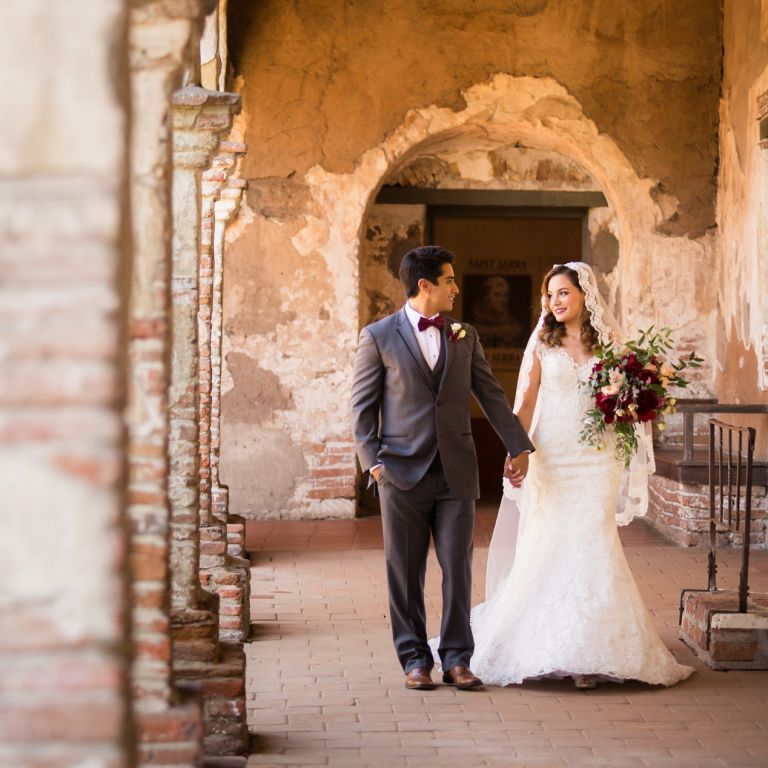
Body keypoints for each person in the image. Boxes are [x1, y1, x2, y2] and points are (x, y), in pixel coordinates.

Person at [469, 262, 694, 689]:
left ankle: (591, 651)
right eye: (550, 294)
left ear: (584, 296)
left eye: (563, 293)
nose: (554, 301)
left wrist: (633, 401)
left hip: (597, 458)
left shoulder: (610, 346)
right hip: (552, 455)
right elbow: (526, 402)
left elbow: (629, 401)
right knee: (550, 540)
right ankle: (548, 643)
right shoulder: (542, 341)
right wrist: (518, 450)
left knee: (594, 538)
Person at [351, 245, 534, 691]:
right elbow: (362, 409)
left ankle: (456, 659)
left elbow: (490, 394)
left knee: (458, 567)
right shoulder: (378, 336)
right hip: (399, 473)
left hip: (456, 471)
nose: (456, 288)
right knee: (404, 572)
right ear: (425, 285)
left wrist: (518, 446)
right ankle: (415, 660)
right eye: (449, 280)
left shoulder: (464, 335)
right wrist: (374, 466)